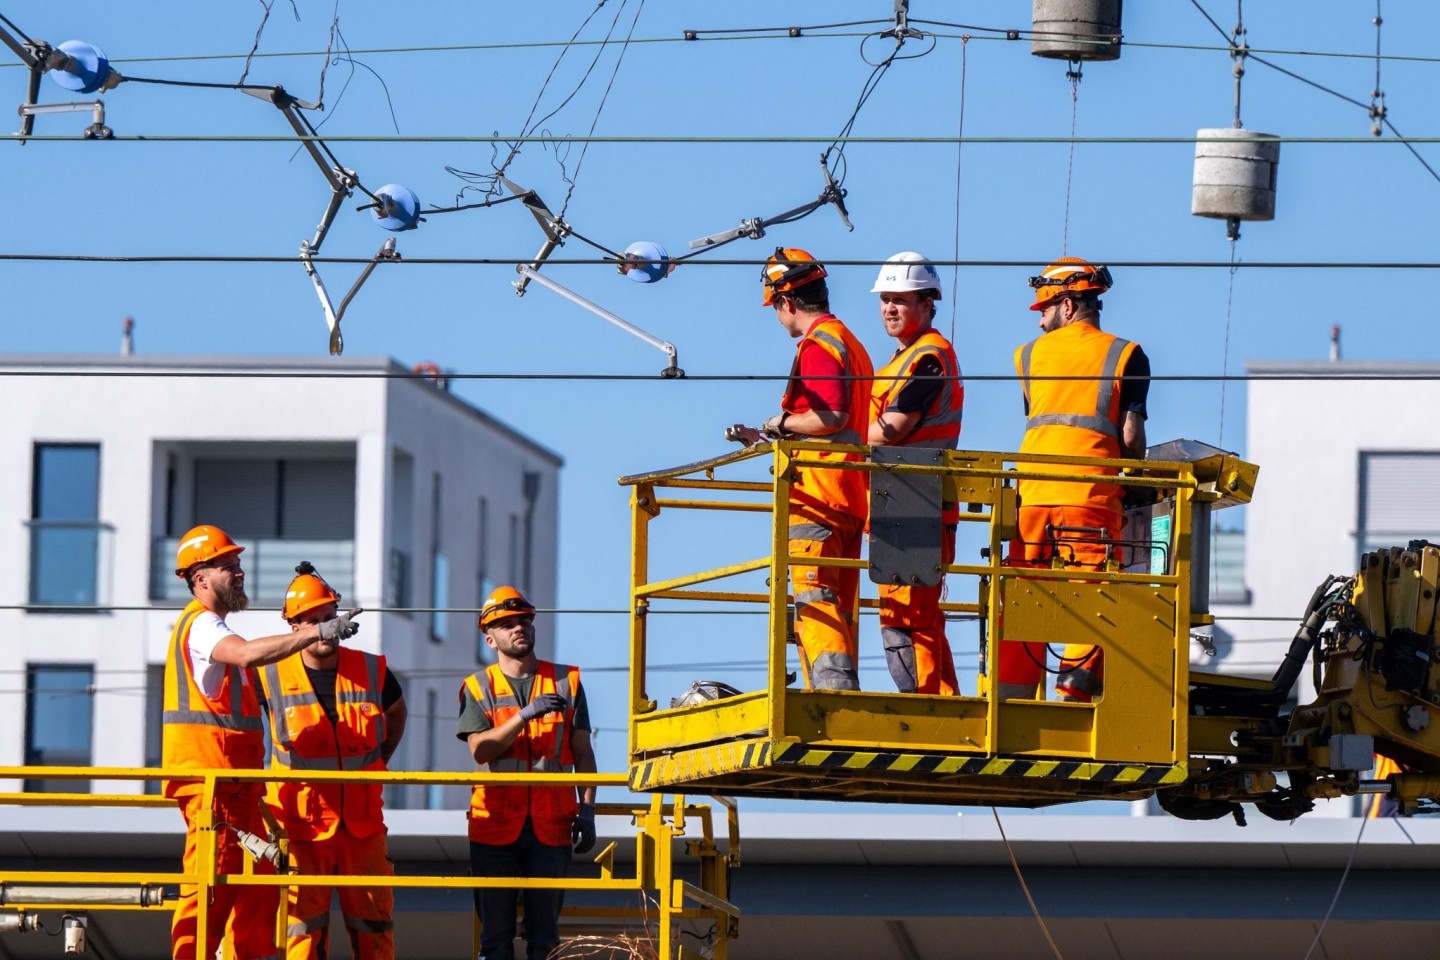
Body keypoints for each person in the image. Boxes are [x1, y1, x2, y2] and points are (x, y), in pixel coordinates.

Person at [163, 525, 362, 960]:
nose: (239, 572)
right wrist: (317, 633)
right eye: (227, 566)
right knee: (208, 898)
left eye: (238, 564)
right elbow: (248, 653)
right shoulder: (201, 627)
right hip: (213, 792)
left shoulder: (210, 627)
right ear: (200, 578)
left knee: (257, 896)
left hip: (239, 794)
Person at [997, 258, 1150, 702]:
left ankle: (1011, 700)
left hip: (1030, 497)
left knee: (1026, 592)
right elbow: (1130, 436)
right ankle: (1072, 695)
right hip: (1091, 496)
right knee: (1092, 595)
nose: (1039, 318)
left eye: (1043, 307)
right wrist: (1134, 469)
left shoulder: (1026, 356)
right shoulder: (1127, 353)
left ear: (1067, 305)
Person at [729, 248, 876, 691]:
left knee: (814, 599)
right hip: (851, 495)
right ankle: (830, 689)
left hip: (818, 495)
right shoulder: (852, 344)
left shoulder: (818, 346)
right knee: (838, 605)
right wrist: (769, 436)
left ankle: (832, 699)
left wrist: (779, 424)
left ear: (786, 302)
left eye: (775, 307)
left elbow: (829, 418)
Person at [257, 563, 406, 960]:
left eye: (328, 618)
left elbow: (397, 713)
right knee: (302, 932)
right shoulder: (268, 675)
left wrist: (379, 761)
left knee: (375, 928)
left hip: (363, 827)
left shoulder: (372, 670)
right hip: (301, 828)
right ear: (294, 628)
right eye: (312, 621)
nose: (324, 628)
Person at [457, 586, 598, 960]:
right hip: (494, 825)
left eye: (523, 621)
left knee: (544, 939)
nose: (517, 628)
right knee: (495, 940)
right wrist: (524, 715)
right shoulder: (478, 687)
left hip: (551, 827)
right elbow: (481, 749)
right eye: (506, 625)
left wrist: (587, 810)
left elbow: (583, 755)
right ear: (490, 638)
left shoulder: (568, 681)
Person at [866, 252, 964, 695]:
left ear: (927, 303)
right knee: (914, 615)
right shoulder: (900, 361)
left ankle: (930, 709)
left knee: (908, 618)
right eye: (885, 299)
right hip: (900, 502)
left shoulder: (929, 359)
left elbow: (893, 429)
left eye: (899, 300)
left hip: (916, 502)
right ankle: (944, 705)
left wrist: (838, 438)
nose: (889, 308)